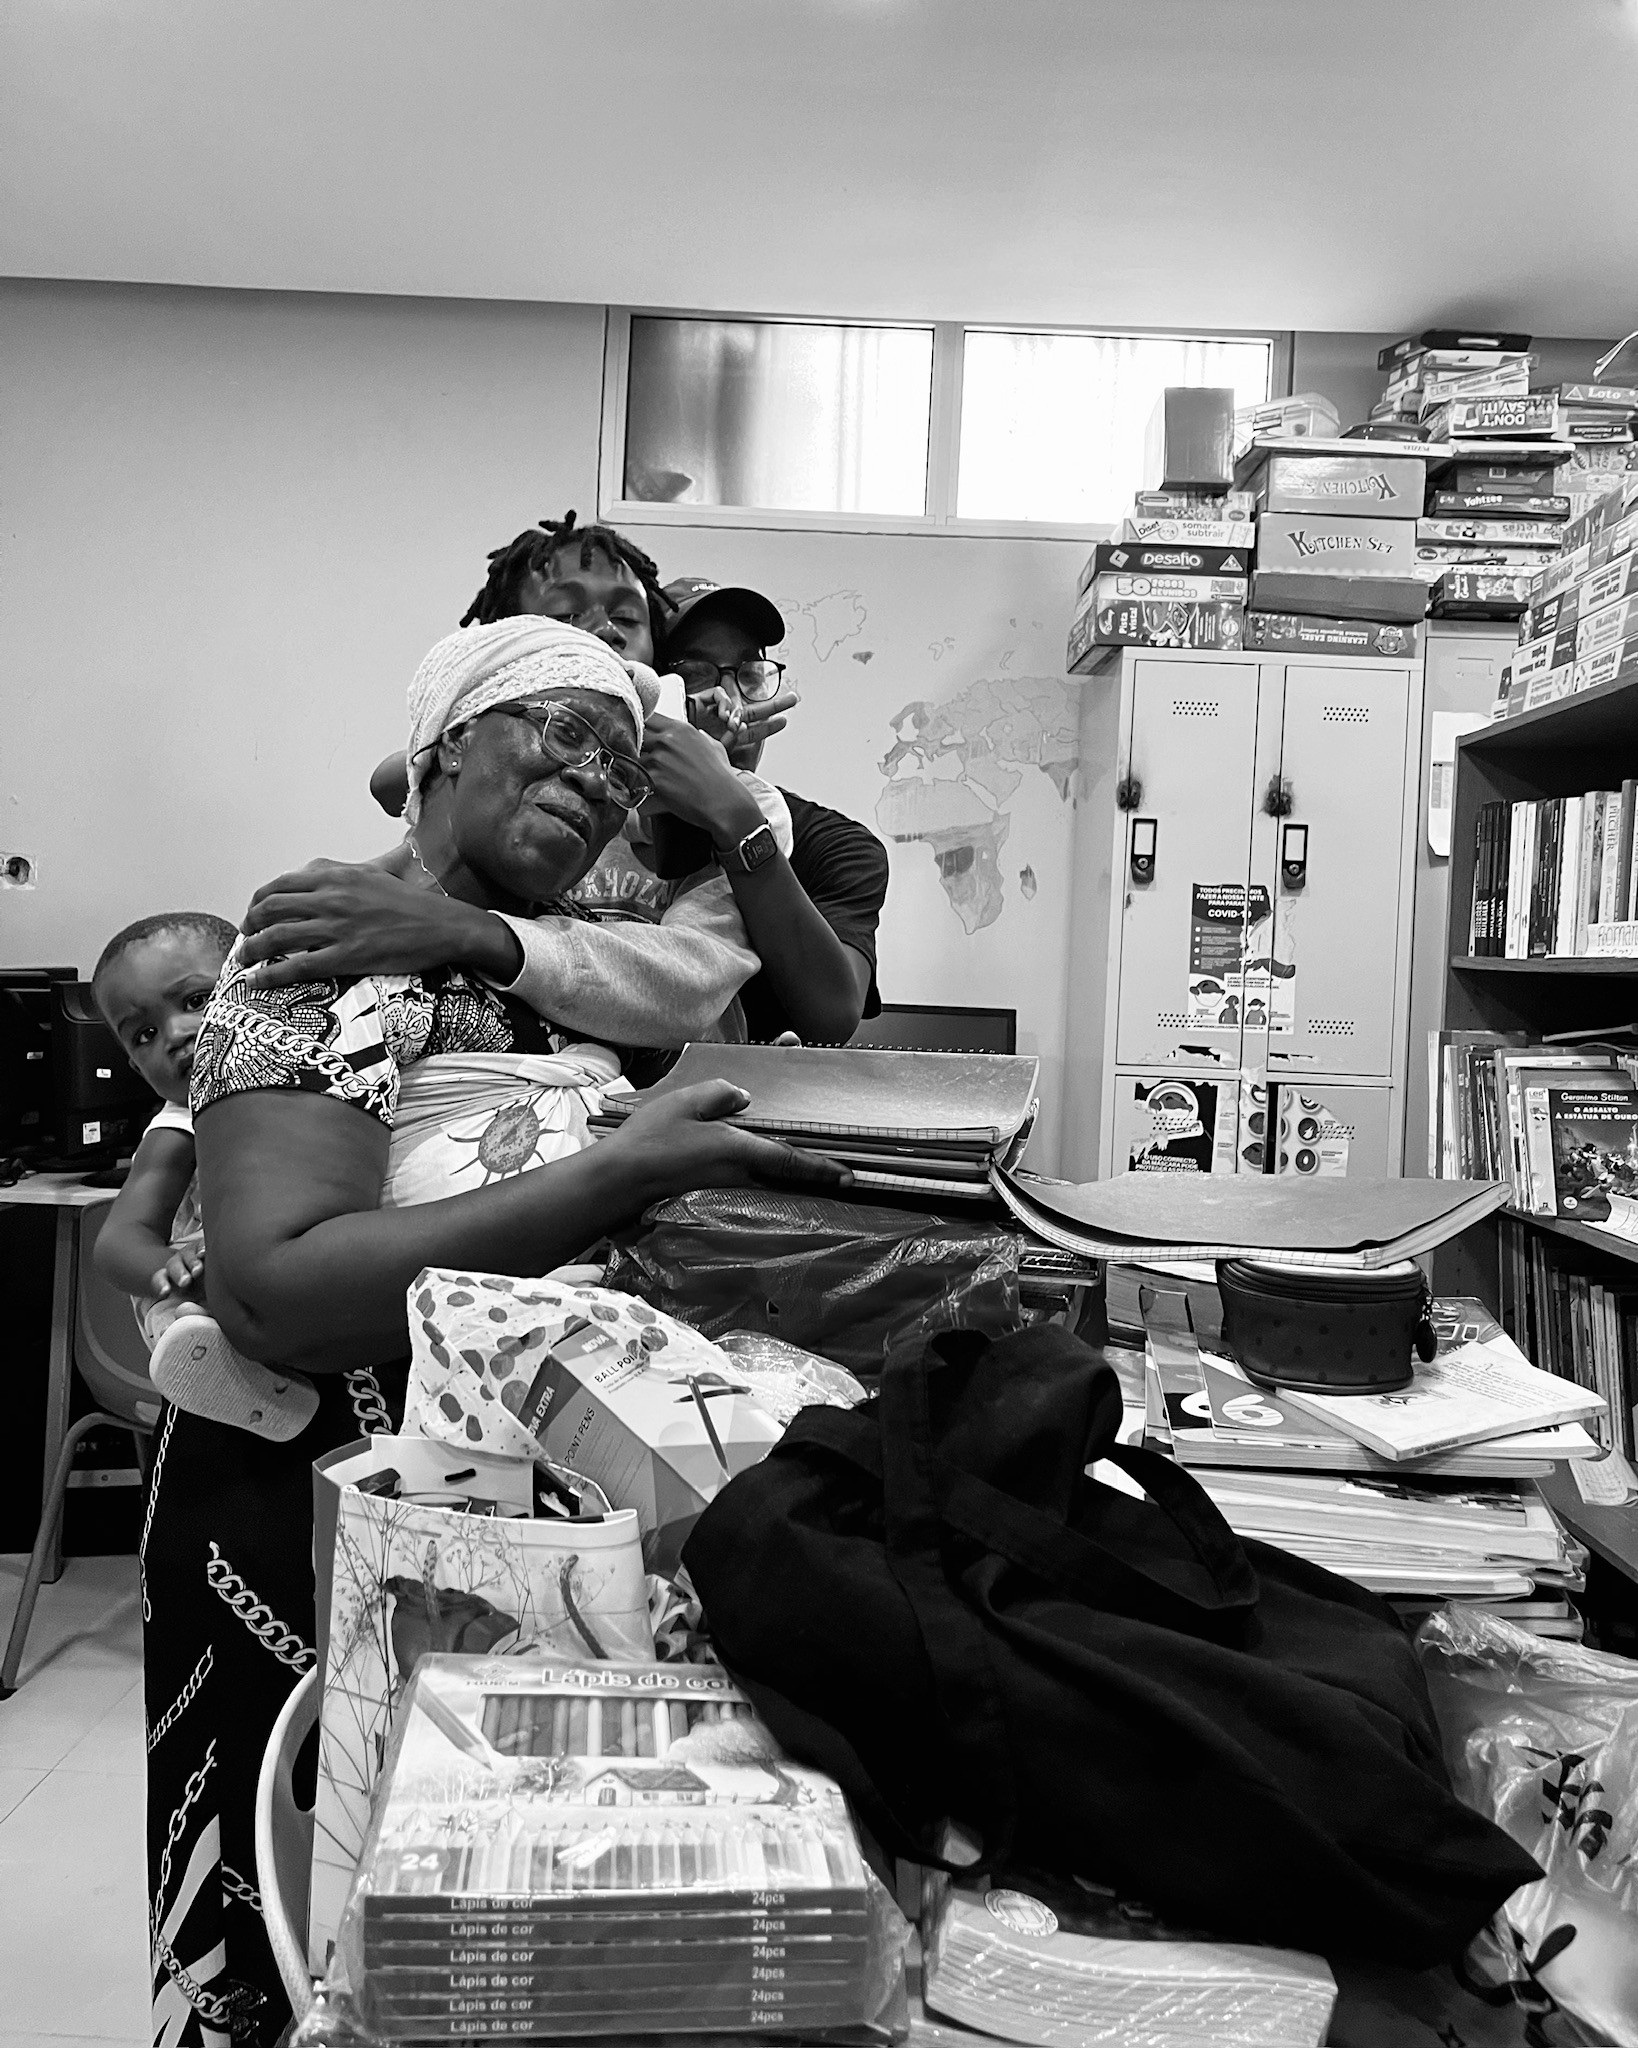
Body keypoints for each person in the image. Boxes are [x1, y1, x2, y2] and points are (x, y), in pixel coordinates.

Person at [141, 616, 845, 2048]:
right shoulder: (324, 944)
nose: (594, 779)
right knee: (297, 1948)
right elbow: (275, 1289)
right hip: (310, 1518)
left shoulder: (534, 969)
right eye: (560, 733)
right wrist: (618, 1168)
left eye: (620, 761)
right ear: (448, 740)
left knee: (465, 1955)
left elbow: (810, 1009)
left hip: (482, 1526)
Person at [91, 912, 320, 1439]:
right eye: (144, 1034)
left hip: (287, 1279)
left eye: (196, 1001)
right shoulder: (181, 1121)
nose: (175, 1035)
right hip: (200, 1287)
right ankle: (238, 1383)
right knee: (183, 1325)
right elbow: (119, 1238)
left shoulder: (316, 1079)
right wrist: (168, 1269)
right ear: (134, 1065)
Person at [658, 575, 888, 1045]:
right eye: (695, 673)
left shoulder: (836, 846)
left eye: (748, 674)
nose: (731, 704)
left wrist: (733, 812)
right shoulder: (596, 819)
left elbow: (833, 1017)